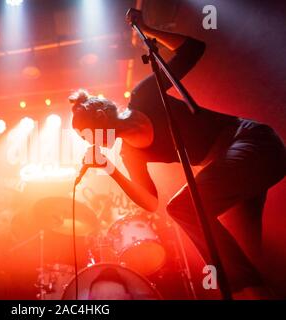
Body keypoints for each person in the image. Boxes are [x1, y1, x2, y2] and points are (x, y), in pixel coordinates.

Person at [70, 12, 286, 298]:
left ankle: (244, 289)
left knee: (184, 207)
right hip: (237, 165)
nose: (91, 142)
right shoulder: (131, 154)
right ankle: (256, 290)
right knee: (250, 252)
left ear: (101, 118)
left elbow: (193, 49)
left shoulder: (145, 95)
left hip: (252, 141)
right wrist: (110, 168)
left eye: (88, 134)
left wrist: (147, 28)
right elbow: (149, 202)